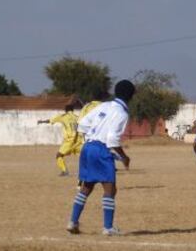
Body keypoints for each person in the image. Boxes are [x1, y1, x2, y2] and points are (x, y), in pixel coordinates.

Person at [67, 80, 135, 236]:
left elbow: (82, 124)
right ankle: (108, 227)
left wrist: (91, 140)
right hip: (101, 150)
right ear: (130, 96)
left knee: (87, 186)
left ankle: (72, 222)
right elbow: (112, 139)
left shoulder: (104, 106)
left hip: (87, 147)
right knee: (110, 189)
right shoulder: (122, 113)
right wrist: (124, 157)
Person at [37, 103, 82, 177]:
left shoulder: (63, 116)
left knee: (59, 155)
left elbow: (51, 120)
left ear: (65, 110)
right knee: (82, 156)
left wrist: (42, 121)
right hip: (78, 140)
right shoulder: (77, 117)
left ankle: (65, 171)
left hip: (70, 140)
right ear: (73, 110)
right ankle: (86, 170)